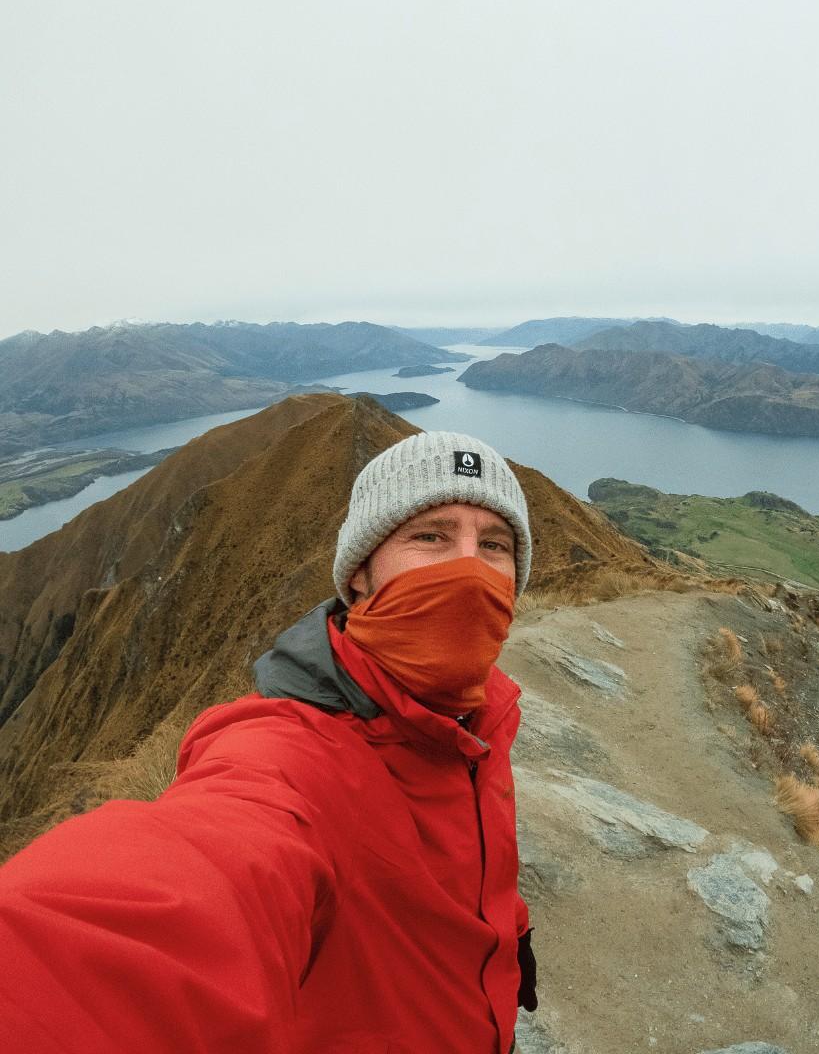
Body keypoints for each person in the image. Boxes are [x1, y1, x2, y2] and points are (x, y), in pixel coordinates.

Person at [0, 429, 538, 1054]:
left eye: (494, 545)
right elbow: (188, 881)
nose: (467, 568)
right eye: (430, 536)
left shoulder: (484, 722)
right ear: (360, 573)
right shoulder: (288, 754)